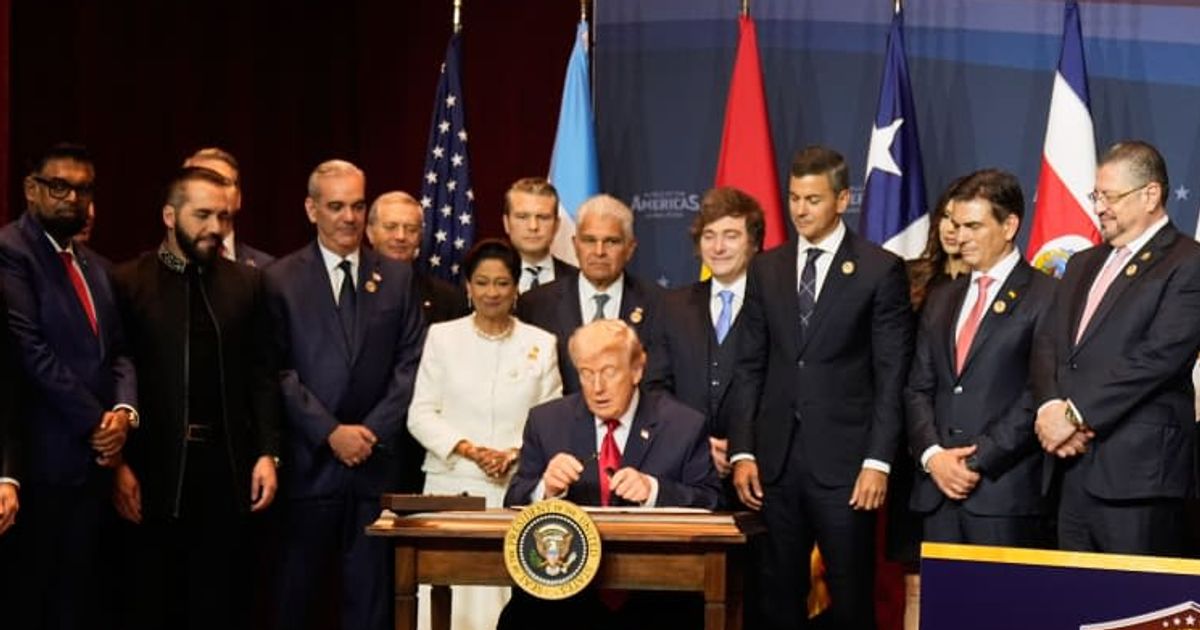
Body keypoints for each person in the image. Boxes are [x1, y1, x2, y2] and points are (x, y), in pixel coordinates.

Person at [727, 146, 913, 630]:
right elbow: (749, 366)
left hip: (847, 467)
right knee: (776, 595)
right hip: (777, 465)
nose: (800, 210)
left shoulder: (879, 270)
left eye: (812, 199)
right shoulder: (766, 268)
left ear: (842, 199)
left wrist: (878, 461)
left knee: (851, 596)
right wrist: (744, 451)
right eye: (793, 198)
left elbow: (892, 375)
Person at [110, 166, 281, 629]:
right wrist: (118, 465)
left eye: (223, 217)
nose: (215, 228)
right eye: (202, 215)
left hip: (224, 475)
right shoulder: (128, 282)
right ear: (170, 215)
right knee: (149, 602)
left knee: (219, 603)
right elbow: (112, 374)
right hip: (152, 471)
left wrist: (268, 453)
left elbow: (261, 376)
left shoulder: (246, 283)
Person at [266, 159, 425, 630]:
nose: (349, 217)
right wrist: (330, 432)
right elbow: (276, 371)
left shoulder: (396, 277)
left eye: (358, 205)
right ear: (311, 209)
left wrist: (370, 432)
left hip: (375, 469)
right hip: (308, 466)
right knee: (297, 598)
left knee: (372, 603)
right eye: (336, 206)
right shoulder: (279, 279)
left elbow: (410, 365)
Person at [1033, 140, 1200, 556]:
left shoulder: (1187, 261)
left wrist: (1075, 415)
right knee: (1072, 607)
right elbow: (1049, 342)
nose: (1100, 207)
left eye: (1110, 196)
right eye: (1096, 196)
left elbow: (1160, 356)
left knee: (1132, 612)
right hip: (1068, 466)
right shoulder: (1082, 263)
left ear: (1151, 195)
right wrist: (1050, 408)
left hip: (1137, 474)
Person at [499, 318, 720, 630]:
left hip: (655, 592)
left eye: (609, 372)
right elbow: (512, 500)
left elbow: (712, 501)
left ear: (637, 370)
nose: (597, 387)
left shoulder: (683, 425)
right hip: (564, 590)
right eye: (586, 374)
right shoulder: (547, 422)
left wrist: (654, 491)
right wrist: (544, 489)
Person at [0, 142, 139, 630]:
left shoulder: (95, 267)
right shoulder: (11, 252)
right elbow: (30, 349)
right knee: (32, 602)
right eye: (59, 187)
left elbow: (119, 352)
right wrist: (97, 422)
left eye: (83, 190)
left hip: (93, 471)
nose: (72, 199)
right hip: (39, 470)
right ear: (31, 189)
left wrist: (123, 415)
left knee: (80, 605)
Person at [407, 238, 562, 630]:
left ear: (516, 288)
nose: (492, 292)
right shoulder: (442, 337)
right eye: (482, 282)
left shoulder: (541, 344)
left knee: (506, 603)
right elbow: (420, 414)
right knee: (448, 602)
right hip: (451, 486)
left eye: (502, 283)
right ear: (468, 287)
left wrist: (513, 453)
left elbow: (553, 420)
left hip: (514, 489)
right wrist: (471, 450)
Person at [905, 168, 1053, 552]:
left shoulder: (1046, 294)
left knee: (1005, 612)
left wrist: (976, 461)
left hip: (1003, 495)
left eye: (973, 225)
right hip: (937, 494)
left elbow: (1039, 392)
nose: (960, 236)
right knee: (944, 613)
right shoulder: (942, 297)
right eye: (956, 225)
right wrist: (933, 456)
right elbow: (919, 386)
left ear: (1009, 226)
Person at [644, 186, 763, 499]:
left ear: (753, 243)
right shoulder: (671, 305)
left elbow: (782, 391)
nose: (718, 247)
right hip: (682, 470)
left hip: (757, 474)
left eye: (731, 235)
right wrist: (694, 441)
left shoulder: (774, 304)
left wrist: (741, 449)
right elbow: (654, 387)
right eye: (709, 235)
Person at [890, 176, 970, 630]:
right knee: (919, 578)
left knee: (977, 578)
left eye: (963, 221)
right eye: (946, 217)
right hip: (917, 447)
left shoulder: (1007, 288)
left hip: (975, 450)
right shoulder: (911, 279)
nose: (952, 229)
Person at [517, 194, 662, 394]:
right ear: (576, 245)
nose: (599, 251)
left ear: (630, 249)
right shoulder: (536, 305)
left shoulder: (658, 303)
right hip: (561, 422)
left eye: (611, 241)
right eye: (589, 240)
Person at [366, 190, 469, 325]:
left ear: (420, 236)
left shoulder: (449, 299)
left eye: (411, 229)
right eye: (391, 227)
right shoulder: (351, 289)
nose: (400, 236)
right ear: (370, 233)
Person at [183, 147, 274, 268]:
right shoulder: (154, 270)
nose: (213, 192)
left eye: (222, 182)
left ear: (238, 197)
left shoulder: (267, 270)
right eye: (203, 182)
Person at [502, 177, 576, 293]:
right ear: (506, 223)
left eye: (543, 217)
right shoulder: (481, 280)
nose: (533, 226)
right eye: (522, 217)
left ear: (556, 225)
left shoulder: (578, 281)